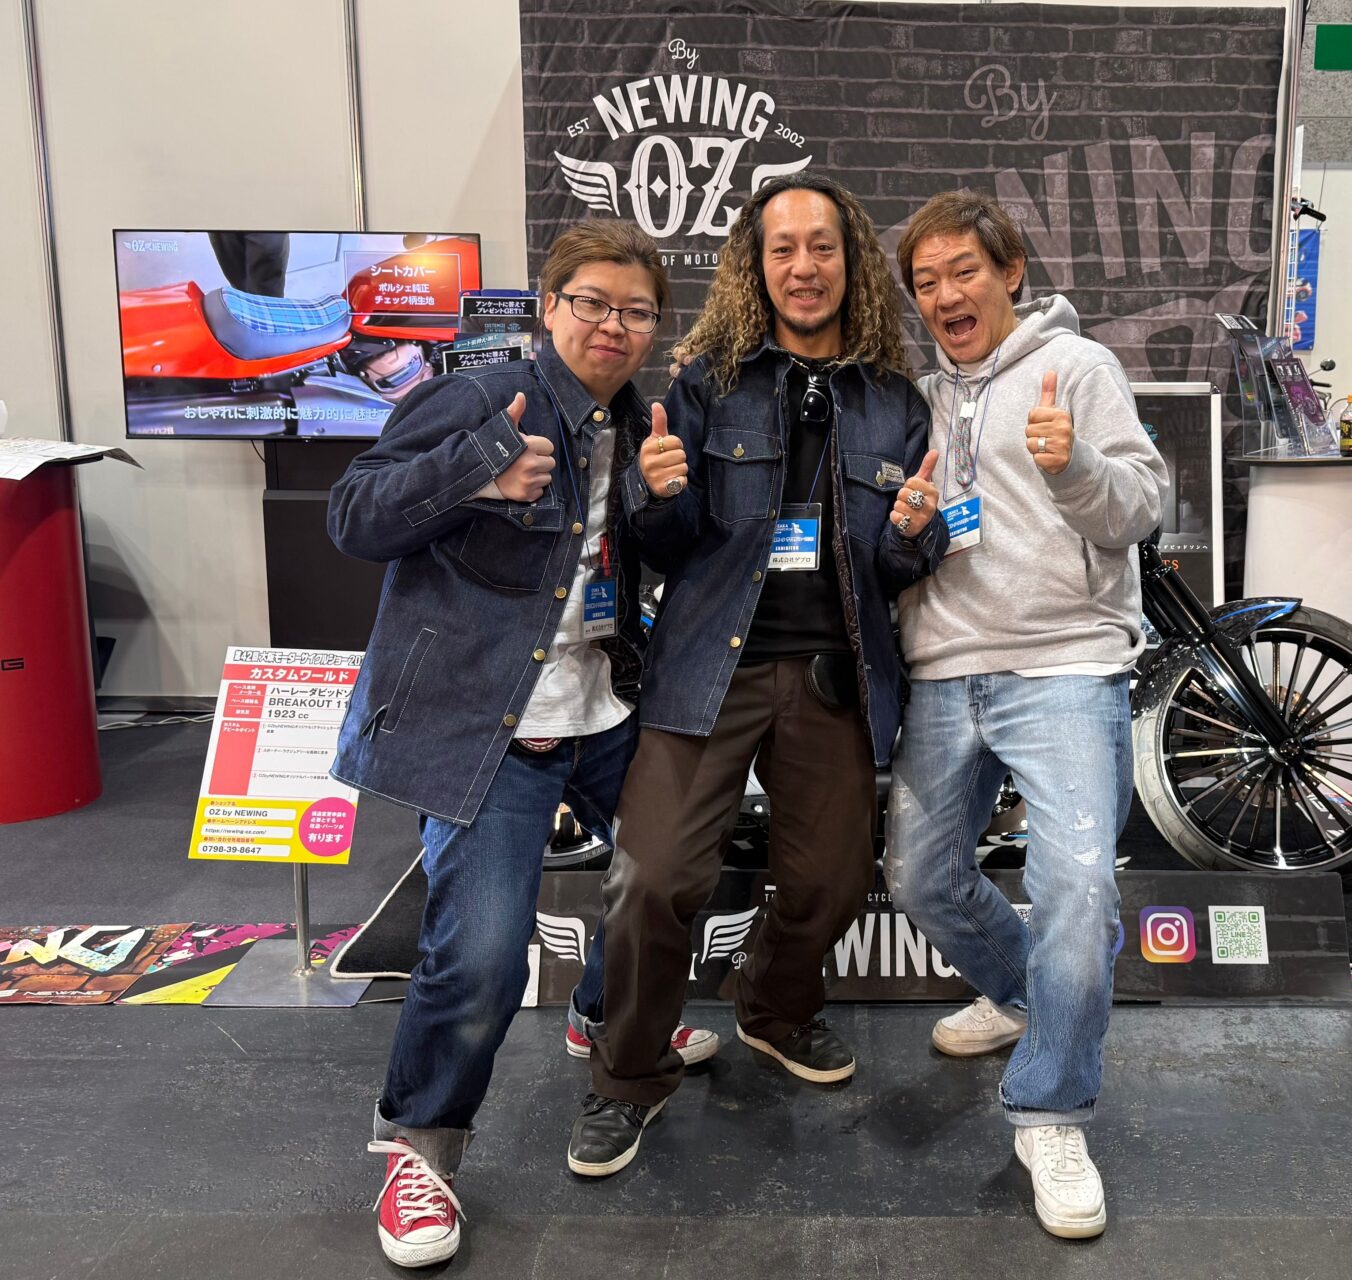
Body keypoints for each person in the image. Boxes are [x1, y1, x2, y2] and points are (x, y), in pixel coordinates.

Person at [326, 218, 710, 1268]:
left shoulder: (641, 421)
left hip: (605, 708)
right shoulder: (475, 400)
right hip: (489, 724)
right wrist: (478, 467)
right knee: (484, 958)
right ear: (549, 308)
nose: (613, 326)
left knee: (673, 874)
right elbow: (352, 516)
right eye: (592, 303)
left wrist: (665, 502)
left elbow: (646, 562)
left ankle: (603, 1015)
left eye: (636, 312)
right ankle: (420, 1146)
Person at [568, 173, 947, 1177]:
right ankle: (628, 1075)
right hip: (709, 669)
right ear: (756, 264)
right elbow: (663, 540)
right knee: (652, 878)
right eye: (783, 248)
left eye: (822, 246)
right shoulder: (705, 384)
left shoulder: (896, 403)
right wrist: (654, 497)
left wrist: (917, 533)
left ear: (850, 261)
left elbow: (897, 566)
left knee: (832, 881)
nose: (803, 266)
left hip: (834, 678)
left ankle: (773, 1004)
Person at [884, 189, 1167, 1240]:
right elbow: (904, 541)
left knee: (1079, 889)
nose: (945, 294)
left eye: (964, 270)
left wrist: (1072, 464)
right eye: (926, 281)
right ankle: (1017, 993)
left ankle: (1051, 1110)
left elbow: (1141, 506)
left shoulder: (1077, 368)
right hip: (944, 668)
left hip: (1065, 664)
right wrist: (905, 526)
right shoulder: (917, 396)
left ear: (1009, 272)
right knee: (921, 878)